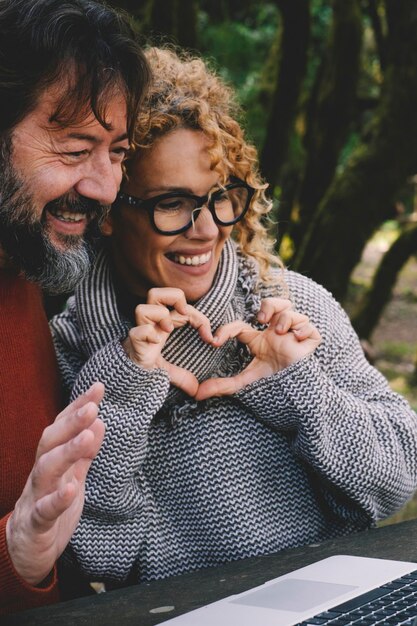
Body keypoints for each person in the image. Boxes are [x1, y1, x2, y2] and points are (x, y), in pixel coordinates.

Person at [51, 47, 417, 590]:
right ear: (109, 210)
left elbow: (397, 479)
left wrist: (300, 389)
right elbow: (101, 555)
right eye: (171, 203)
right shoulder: (70, 346)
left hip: (330, 598)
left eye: (220, 197)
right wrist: (125, 388)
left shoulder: (293, 306)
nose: (205, 230)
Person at [0, 0, 149, 615]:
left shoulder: (23, 263)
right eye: (73, 148)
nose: (105, 187)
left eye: (116, 152)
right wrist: (16, 549)